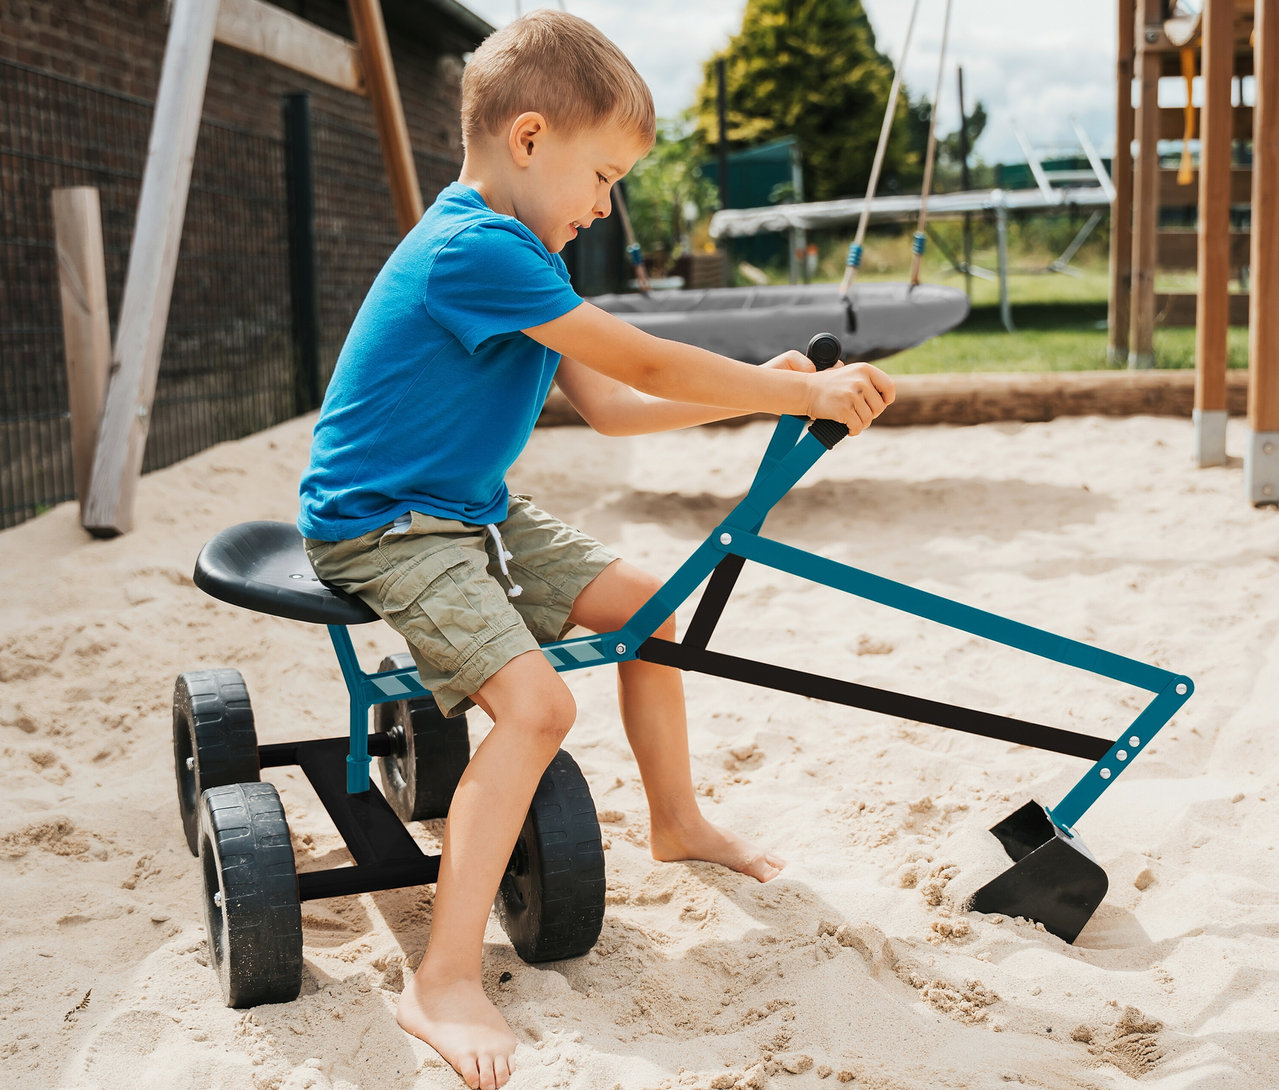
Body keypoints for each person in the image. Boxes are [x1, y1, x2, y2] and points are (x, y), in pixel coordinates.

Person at [297, 10, 894, 1089]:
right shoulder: (473, 250)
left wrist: (759, 393)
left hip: (468, 509)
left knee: (650, 610)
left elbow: (615, 405)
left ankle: (677, 821)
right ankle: (442, 977)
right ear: (528, 139)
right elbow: (645, 365)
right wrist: (799, 393)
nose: (607, 204)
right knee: (537, 710)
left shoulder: (522, 255)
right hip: (385, 524)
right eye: (604, 175)